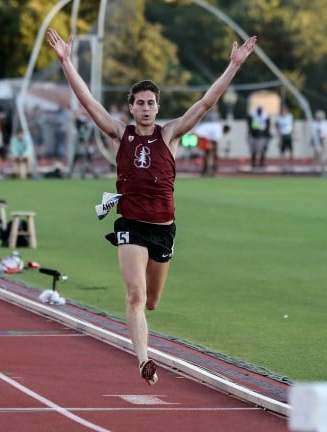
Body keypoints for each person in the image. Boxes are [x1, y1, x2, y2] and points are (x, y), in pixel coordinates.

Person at [47, 28, 257, 384]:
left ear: (157, 107)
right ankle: (144, 359)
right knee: (135, 295)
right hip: (130, 224)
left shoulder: (170, 134)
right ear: (131, 107)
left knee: (153, 301)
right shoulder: (119, 134)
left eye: (150, 103)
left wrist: (233, 67)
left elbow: (206, 103)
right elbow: (88, 102)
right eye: (139, 102)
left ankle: (145, 336)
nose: (145, 108)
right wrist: (67, 61)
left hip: (163, 229)